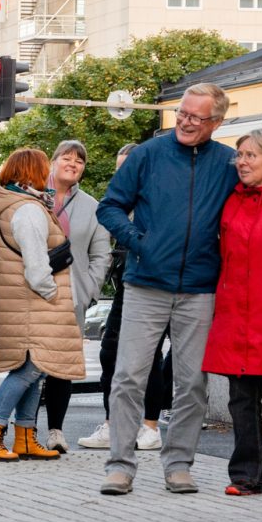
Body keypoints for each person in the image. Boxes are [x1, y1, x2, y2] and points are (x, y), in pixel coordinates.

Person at [96, 83, 238, 495]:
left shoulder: (229, 163)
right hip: (146, 284)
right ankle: (120, 466)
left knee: (192, 383)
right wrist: (139, 241)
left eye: (196, 117)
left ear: (216, 122)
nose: (185, 122)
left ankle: (178, 465)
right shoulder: (147, 154)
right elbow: (110, 206)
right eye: (182, 112)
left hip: (199, 287)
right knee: (127, 377)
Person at [202, 129, 262, 498]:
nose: (241, 161)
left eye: (250, 155)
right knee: (241, 399)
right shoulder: (233, 200)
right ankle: (245, 476)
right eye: (239, 154)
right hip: (236, 317)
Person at [0, 148, 84, 463]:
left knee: (36, 371)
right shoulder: (28, 210)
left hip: (22, 302)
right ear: (32, 173)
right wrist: (53, 295)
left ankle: (25, 436)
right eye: (43, 169)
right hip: (34, 303)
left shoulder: (14, 205)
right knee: (30, 370)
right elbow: (37, 267)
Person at [77, 142, 170, 452]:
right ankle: (112, 423)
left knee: (151, 356)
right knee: (111, 353)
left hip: (156, 285)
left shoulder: (158, 198)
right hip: (127, 284)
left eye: (125, 168)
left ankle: (150, 426)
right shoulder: (121, 201)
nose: (121, 175)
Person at [37, 140, 111, 453]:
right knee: (27, 365)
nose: (73, 164)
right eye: (67, 158)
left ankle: (56, 431)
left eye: (79, 161)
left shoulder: (92, 207)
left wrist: (88, 291)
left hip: (71, 297)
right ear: (53, 162)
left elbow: (101, 254)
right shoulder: (34, 196)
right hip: (31, 293)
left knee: (61, 367)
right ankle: (24, 429)